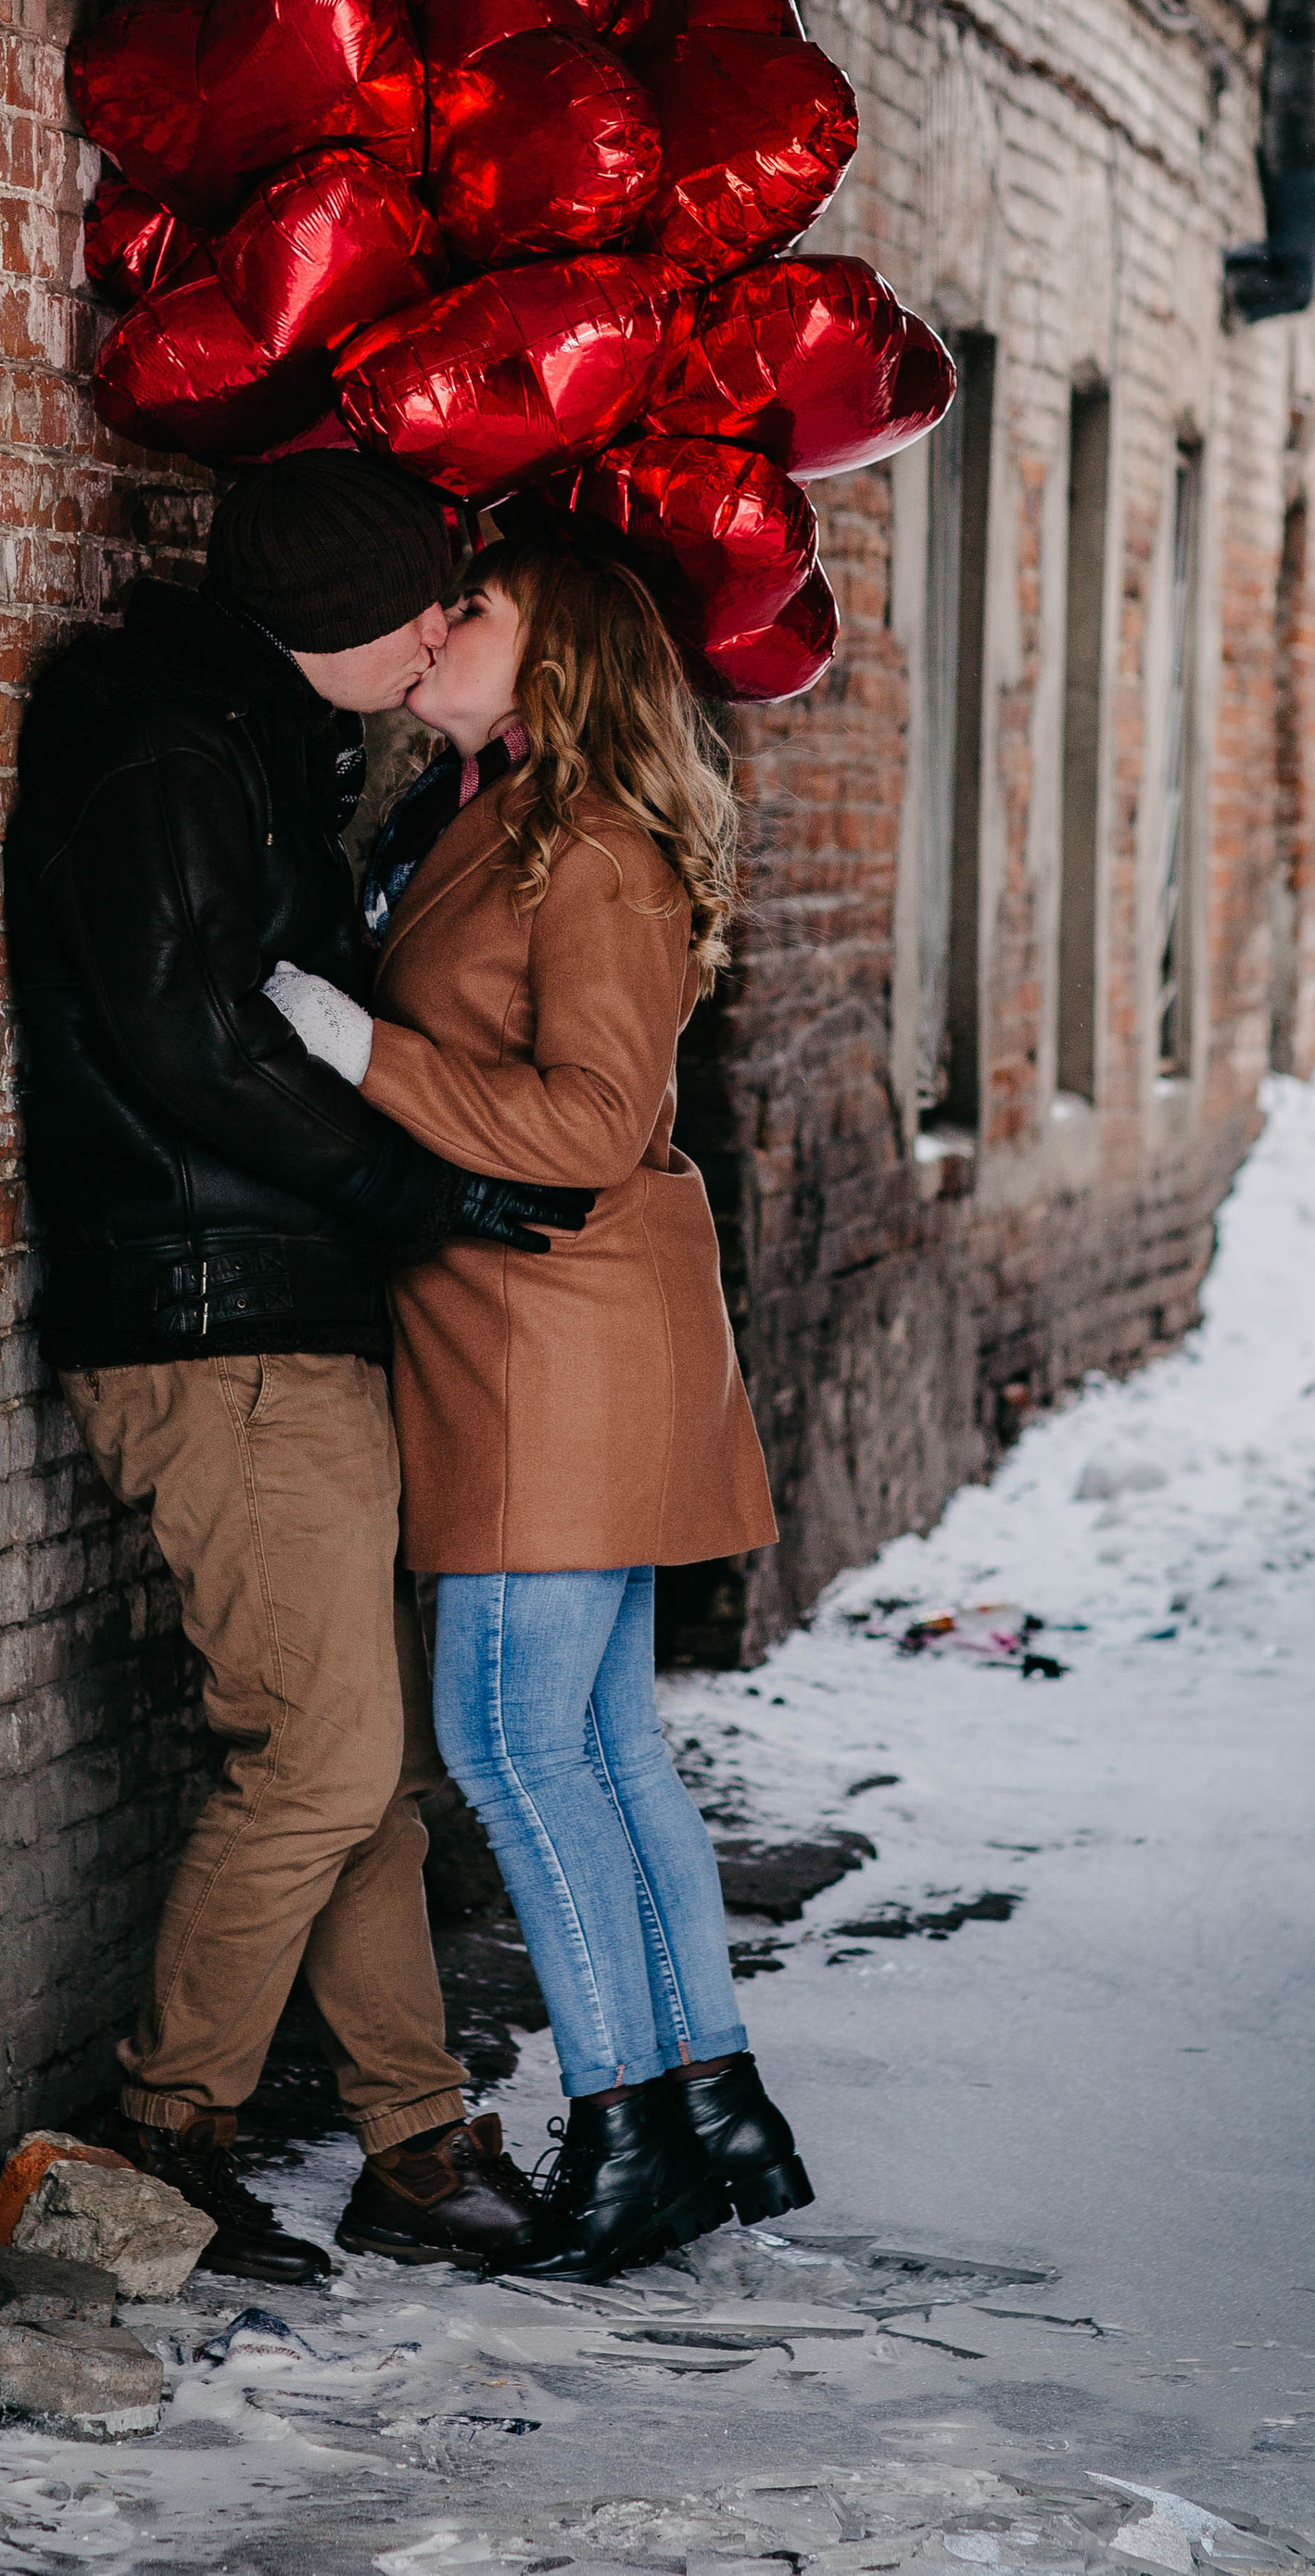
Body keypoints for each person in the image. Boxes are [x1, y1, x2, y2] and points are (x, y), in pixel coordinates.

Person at [5, 453, 592, 2285]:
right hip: (214, 1326)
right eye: (419, 606)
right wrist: (410, 1183)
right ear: (331, 620)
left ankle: (412, 2145)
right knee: (328, 1768)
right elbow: (196, 1047)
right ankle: (152, 2142)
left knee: (362, 1766)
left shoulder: (249, 735)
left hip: (276, 1316)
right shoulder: (170, 750)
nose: (439, 633)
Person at [264, 537, 812, 2281]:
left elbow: (585, 1127)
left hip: (548, 1349)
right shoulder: (494, 812)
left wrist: (361, 1052)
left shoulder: (591, 845)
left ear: (555, 653)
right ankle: (706, 2103)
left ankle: (623, 2125)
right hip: (552, 1344)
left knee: (512, 1749)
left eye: (475, 609)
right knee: (608, 1747)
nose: (437, 627)